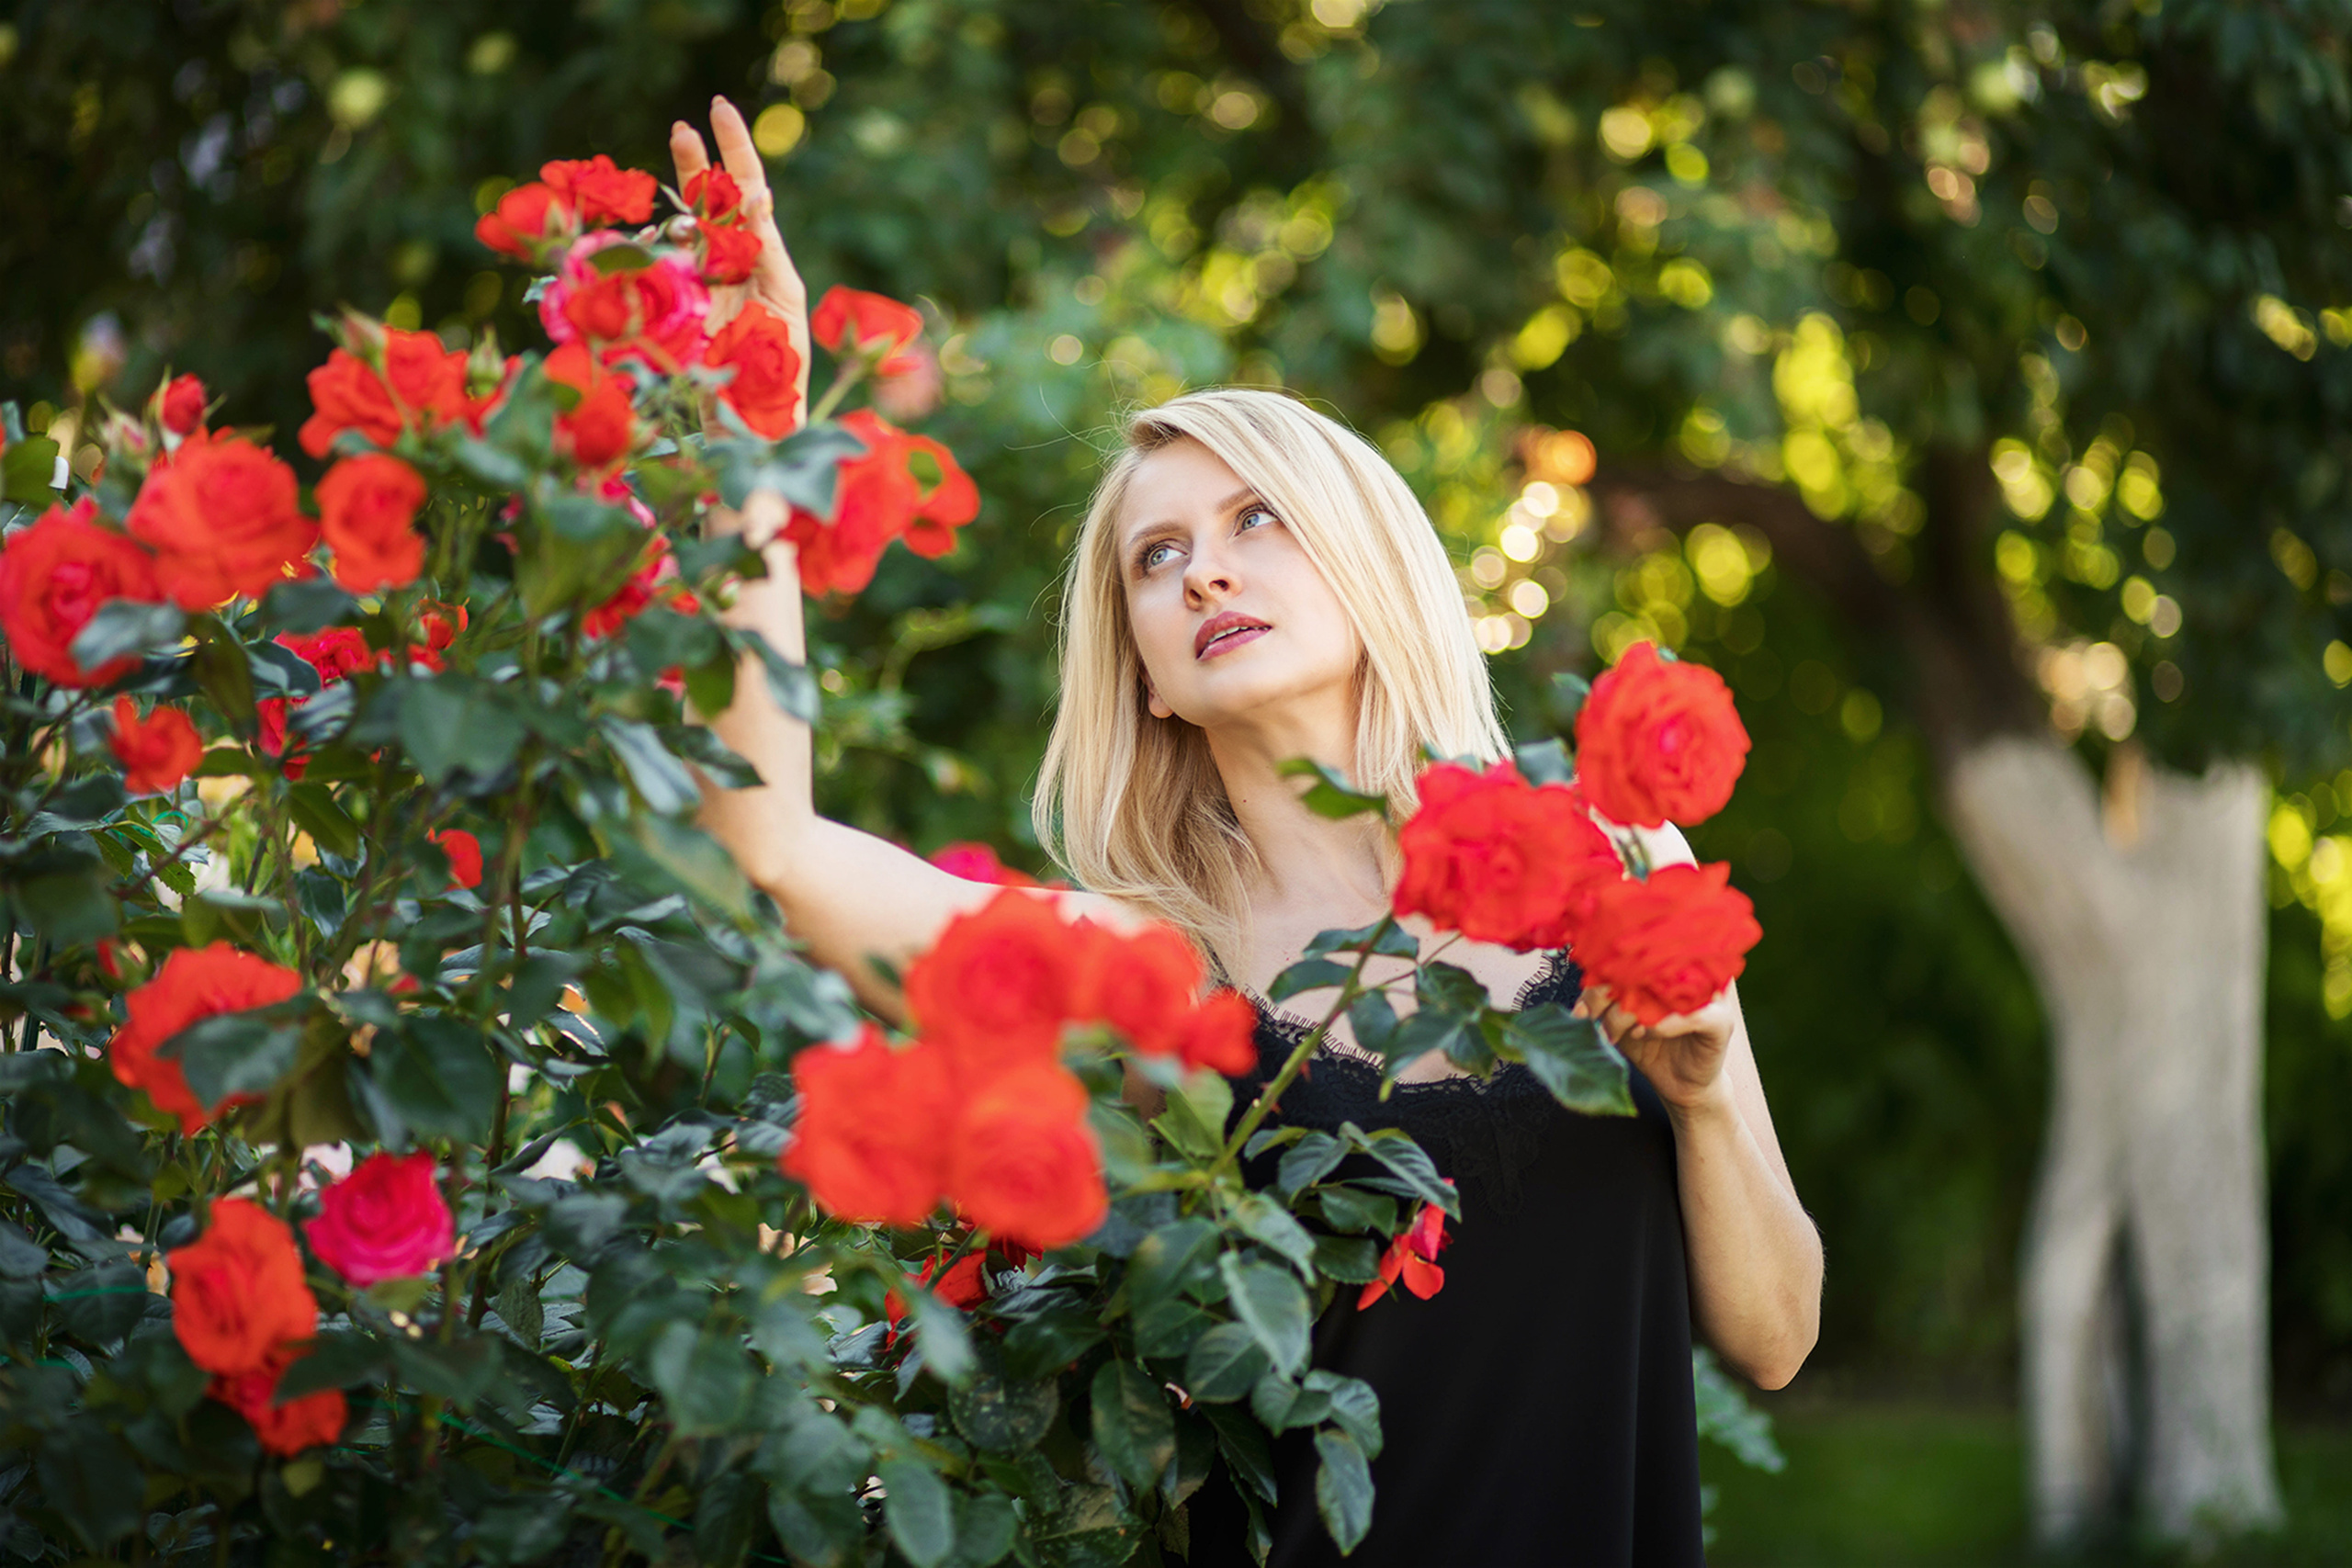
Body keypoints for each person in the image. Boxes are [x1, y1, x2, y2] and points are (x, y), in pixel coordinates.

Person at [673, 97, 1821, 1566]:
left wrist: (1711, 1094)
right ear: (1143, 673)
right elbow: (773, 846)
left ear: (1362, 559)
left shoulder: (1615, 876)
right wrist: (753, 439)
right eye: (1162, 559)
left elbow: (1777, 1339)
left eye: (1256, 520)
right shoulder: (1152, 974)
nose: (1208, 572)